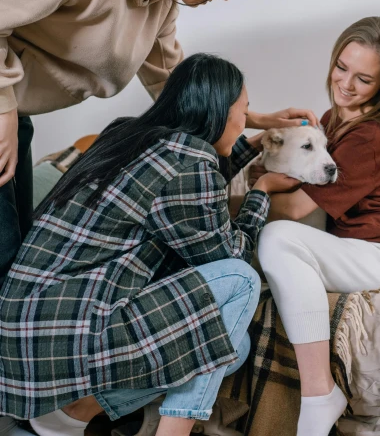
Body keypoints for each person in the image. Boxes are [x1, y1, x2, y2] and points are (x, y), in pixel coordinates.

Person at [0, 0, 317, 277]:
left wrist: (254, 118)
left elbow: (176, 86)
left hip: (15, 113)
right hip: (5, 109)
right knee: (5, 256)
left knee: (19, 253)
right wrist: (4, 108)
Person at [0, 53, 302, 436]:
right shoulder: (190, 166)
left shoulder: (126, 134)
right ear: (219, 113)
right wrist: (261, 191)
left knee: (233, 347)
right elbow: (232, 254)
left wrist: (251, 146)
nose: (245, 121)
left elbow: (189, 193)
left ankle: (71, 413)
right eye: (245, 111)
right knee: (240, 281)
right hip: (65, 332)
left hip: (24, 331)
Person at [250, 17, 380, 436]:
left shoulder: (371, 135)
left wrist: (257, 188)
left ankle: (317, 392)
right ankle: (316, 396)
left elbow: (293, 208)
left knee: (276, 236)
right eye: (341, 67)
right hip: (352, 252)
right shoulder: (331, 119)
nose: (345, 83)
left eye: (363, 78)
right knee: (273, 248)